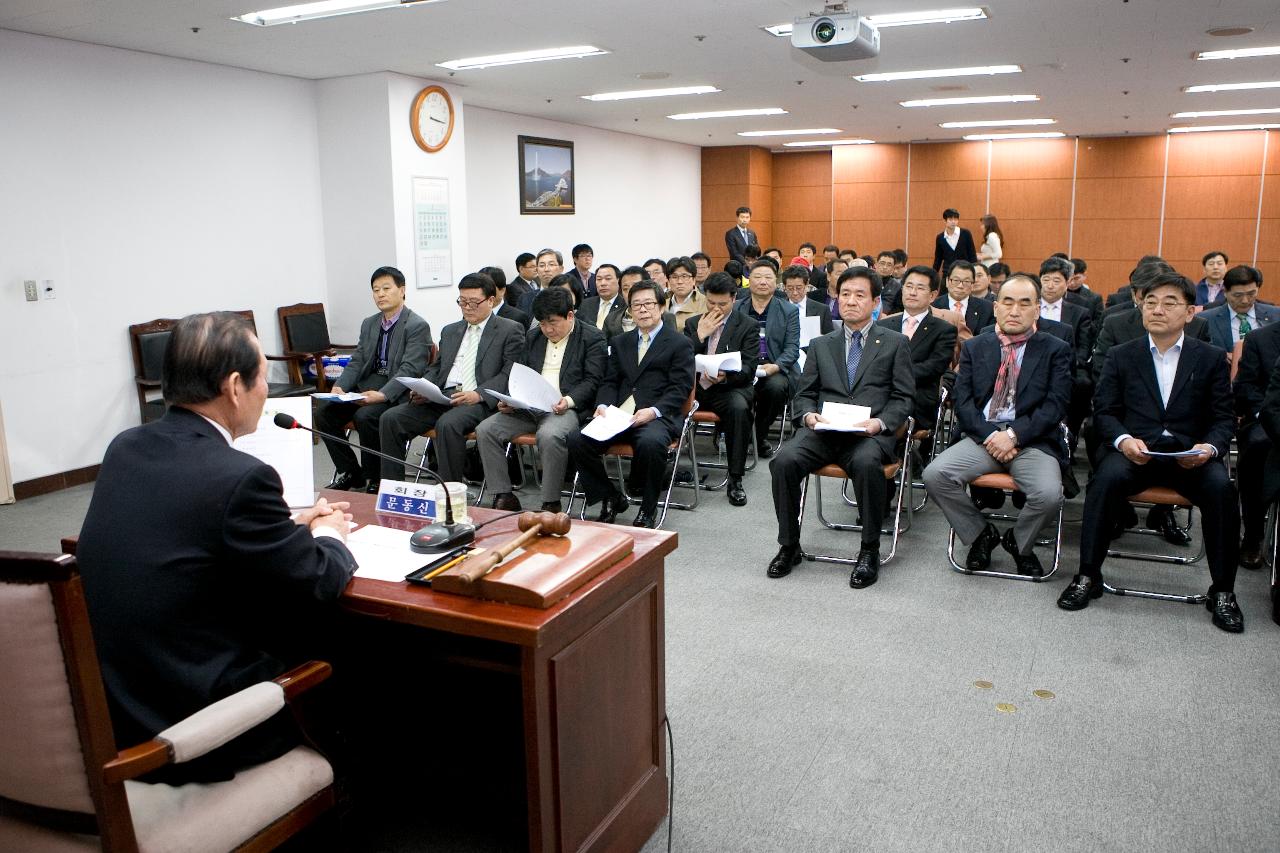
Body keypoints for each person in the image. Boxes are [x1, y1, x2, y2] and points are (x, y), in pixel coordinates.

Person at [78, 311, 357, 784]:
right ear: (233, 387)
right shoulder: (241, 476)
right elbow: (317, 579)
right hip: (200, 726)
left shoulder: (126, 447)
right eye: (264, 380)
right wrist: (330, 532)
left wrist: (287, 522)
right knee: (345, 639)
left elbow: (187, 524)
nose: (267, 392)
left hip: (119, 709)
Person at [1058, 272, 1243, 633]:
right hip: (1135, 452)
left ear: (1191, 313)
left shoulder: (1207, 358)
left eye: (1170, 303)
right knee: (1104, 481)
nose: (1157, 309)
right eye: (1151, 301)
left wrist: (1208, 448)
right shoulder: (1121, 355)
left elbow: (1224, 418)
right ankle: (1088, 575)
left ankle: (1223, 591)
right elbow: (1105, 412)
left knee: (1222, 491)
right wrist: (1124, 440)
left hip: (1191, 457)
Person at [767, 267, 915, 588]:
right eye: (845, 294)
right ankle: (789, 545)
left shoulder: (895, 342)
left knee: (865, 463)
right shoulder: (822, 343)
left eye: (860, 295)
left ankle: (869, 549)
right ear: (836, 298)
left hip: (868, 434)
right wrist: (807, 417)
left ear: (875, 301)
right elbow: (804, 394)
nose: (851, 301)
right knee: (783, 461)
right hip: (824, 431)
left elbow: (904, 398)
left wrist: (880, 423)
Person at [923, 275, 1072, 576]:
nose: (1015, 310)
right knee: (935, 475)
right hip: (984, 436)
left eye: (1024, 303)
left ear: (1037, 310)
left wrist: (1014, 436)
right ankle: (980, 534)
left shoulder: (1055, 348)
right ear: (995, 307)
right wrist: (993, 436)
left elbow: (1055, 406)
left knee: (1049, 495)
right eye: (1008, 302)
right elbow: (963, 403)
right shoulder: (977, 346)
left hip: (1033, 439)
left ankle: (1019, 541)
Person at [568, 280, 696, 529]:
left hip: (657, 415)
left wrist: (654, 411)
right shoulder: (621, 342)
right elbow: (610, 380)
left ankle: (648, 510)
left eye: (649, 303)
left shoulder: (680, 343)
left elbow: (679, 388)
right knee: (576, 439)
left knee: (650, 443)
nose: (643, 309)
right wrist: (603, 405)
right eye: (636, 305)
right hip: (619, 415)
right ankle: (611, 496)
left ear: (661, 306)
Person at [379, 273, 526, 482]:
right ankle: (392, 487)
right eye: (462, 302)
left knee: (448, 424)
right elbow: (438, 366)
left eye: (474, 302)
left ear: (491, 301)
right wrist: (423, 387)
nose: (467, 307)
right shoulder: (451, 330)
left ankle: (449, 493)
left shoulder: (509, 330)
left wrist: (477, 394)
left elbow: (509, 372)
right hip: (443, 396)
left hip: (479, 400)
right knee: (391, 418)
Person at [477, 288, 606, 513]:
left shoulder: (591, 337)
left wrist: (568, 400)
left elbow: (593, 380)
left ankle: (550, 502)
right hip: (529, 406)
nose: (547, 329)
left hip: (564, 408)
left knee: (549, 435)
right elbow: (519, 372)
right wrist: (511, 399)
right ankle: (503, 494)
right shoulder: (533, 336)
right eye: (542, 323)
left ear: (570, 315)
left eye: (553, 323)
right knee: (486, 429)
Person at [316, 265, 433, 492]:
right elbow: (357, 361)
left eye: (386, 288)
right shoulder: (369, 323)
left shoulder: (417, 325)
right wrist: (340, 387)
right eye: (375, 289)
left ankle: (376, 478)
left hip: (395, 391)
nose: (380, 294)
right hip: (365, 387)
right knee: (323, 413)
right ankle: (351, 471)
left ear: (402, 290)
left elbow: (410, 369)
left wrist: (382, 395)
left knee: (366, 416)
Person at [685, 272, 760, 506]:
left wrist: (725, 376)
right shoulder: (693, 323)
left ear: (734, 298)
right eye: (711, 302)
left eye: (722, 303)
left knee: (739, 408)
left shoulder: (747, 325)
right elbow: (678, 360)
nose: (716, 308)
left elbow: (749, 368)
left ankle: (735, 479)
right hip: (697, 389)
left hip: (729, 388)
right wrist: (699, 335)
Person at [1228, 268, 1280, 569]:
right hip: (1266, 418)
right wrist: (1266, 414)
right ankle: (1253, 533)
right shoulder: (1261, 339)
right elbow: (1244, 387)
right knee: (1259, 447)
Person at [876, 265, 958, 439]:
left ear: (933, 295)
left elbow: (934, 368)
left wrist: (894, 375)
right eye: (909, 286)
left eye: (920, 288)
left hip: (917, 397)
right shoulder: (883, 325)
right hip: (879, 393)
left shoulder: (944, 330)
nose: (912, 292)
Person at [735, 259, 801, 459]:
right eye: (757, 277)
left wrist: (776, 366)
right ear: (749, 280)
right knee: (732, 391)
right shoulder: (737, 307)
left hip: (774, 366)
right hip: (742, 365)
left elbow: (792, 348)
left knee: (775, 388)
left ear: (776, 282)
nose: (762, 282)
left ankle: (756, 436)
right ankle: (738, 434)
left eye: (768, 277)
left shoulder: (788, 310)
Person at [1199, 264, 1278, 351]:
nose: (1245, 301)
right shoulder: (1205, 319)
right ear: (1225, 292)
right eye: (1238, 295)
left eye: (1251, 294)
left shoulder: (1277, 315)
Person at [933, 260, 994, 335]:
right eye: (956, 280)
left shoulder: (987, 308)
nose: (960, 286)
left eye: (966, 281)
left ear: (972, 285)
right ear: (947, 281)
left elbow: (988, 338)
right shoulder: (933, 306)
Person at [780, 263, 834, 340]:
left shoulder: (822, 310)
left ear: (807, 285)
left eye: (799, 288)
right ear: (784, 287)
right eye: (790, 288)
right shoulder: (777, 308)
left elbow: (829, 339)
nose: (795, 293)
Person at [517, 248, 564, 313]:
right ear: (537, 270)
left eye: (551, 264)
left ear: (561, 269)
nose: (546, 269)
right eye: (542, 265)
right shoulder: (525, 299)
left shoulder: (570, 296)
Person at [579, 262, 624, 330]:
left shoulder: (625, 305)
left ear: (618, 280)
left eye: (608, 278)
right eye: (599, 279)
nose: (603, 283)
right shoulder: (586, 304)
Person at [932, 208, 978, 273]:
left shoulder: (966, 233)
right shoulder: (940, 237)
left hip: (964, 271)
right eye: (950, 219)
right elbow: (938, 259)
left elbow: (972, 254)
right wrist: (933, 274)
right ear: (945, 221)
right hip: (947, 272)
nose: (953, 222)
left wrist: (975, 271)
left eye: (956, 219)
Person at [667, 256, 708, 329]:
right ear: (668, 281)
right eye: (674, 277)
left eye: (684, 276)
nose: (680, 281)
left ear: (694, 280)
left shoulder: (705, 303)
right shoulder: (661, 302)